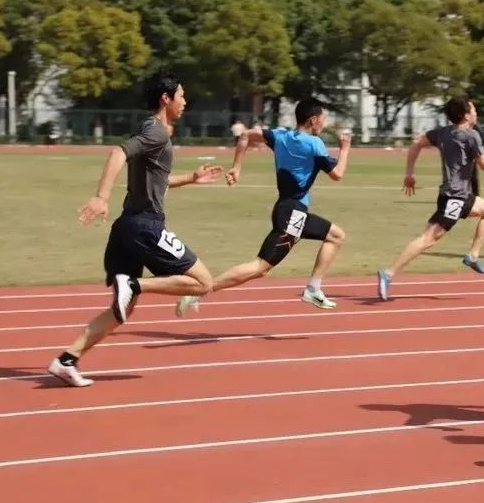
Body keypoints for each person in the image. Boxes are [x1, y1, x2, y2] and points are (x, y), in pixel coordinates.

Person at [47, 71, 222, 388]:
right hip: (145, 226)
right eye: (181, 95)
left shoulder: (153, 132)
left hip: (126, 228)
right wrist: (101, 196)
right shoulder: (156, 132)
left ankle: (66, 360)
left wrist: (190, 179)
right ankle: (136, 284)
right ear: (165, 99)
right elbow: (117, 153)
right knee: (203, 282)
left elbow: (156, 181)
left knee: (121, 310)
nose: (185, 101)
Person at [176, 100, 350, 315]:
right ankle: (200, 290)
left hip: (286, 210)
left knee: (266, 266)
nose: (324, 124)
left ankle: (201, 290)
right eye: (323, 119)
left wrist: (237, 167)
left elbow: (246, 135)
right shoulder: (315, 144)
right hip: (292, 213)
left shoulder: (280, 136)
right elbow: (337, 174)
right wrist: (345, 149)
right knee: (261, 266)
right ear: (313, 120)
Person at [377, 96, 484, 300]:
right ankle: (388, 274)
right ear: (466, 115)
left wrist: (409, 174)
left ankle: (473, 256)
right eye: (473, 110)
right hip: (454, 198)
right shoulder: (471, 136)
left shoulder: (442, 133)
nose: (476, 113)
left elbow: (415, 144)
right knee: (427, 240)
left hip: (460, 196)